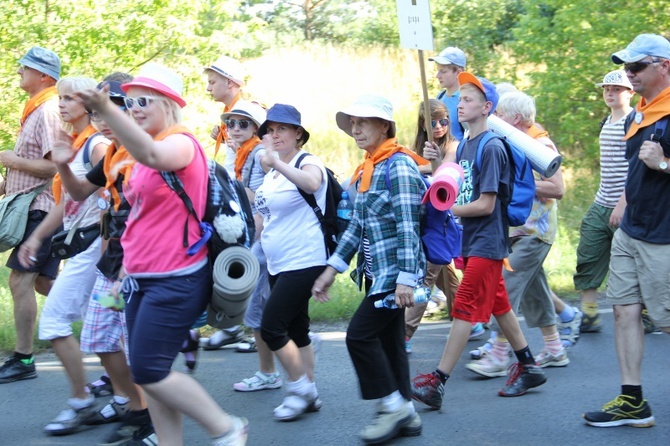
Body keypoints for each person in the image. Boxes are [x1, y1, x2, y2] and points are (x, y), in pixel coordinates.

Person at [75, 63, 248, 445]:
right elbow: (138, 216)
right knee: (146, 370)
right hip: (142, 276)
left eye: (142, 101)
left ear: (169, 103)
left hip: (177, 276)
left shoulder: (181, 142)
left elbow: (153, 154)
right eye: (129, 102)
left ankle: (226, 427)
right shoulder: (138, 153)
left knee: (151, 370)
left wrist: (105, 110)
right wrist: (124, 273)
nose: (133, 108)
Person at [410, 74, 547, 411]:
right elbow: (456, 183)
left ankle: (437, 381)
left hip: (488, 239)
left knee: (465, 308)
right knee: (499, 303)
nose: (461, 105)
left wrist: (449, 208)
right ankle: (528, 365)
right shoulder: (467, 144)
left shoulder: (493, 147)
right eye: (461, 99)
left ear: (487, 107)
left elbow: (485, 204)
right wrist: (438, 163)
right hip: (471, 239)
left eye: (469, 100)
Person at [312, 94, 428, 444]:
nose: (356, 129)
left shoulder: (400, 166)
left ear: (384, 126)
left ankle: (392, 405)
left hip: (395, 277)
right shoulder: (369, 168)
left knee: (359, 336)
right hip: (379, 275)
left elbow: (410, 225)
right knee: (389, 341)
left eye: (363, 122)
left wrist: (406, 279)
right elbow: (357, 227)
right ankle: (406, 410)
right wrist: (331, 269)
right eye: (352, 123)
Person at [51, 78, 156, 444]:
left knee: (132, 345)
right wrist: (64, 165)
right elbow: (80, 191)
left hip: (136, 263)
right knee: (100, 337)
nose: (102, 119)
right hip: (111, 263)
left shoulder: (144, 153)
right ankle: (134, 406)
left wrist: (129, 261)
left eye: (112, 108)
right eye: (96, 112)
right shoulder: (112, 152)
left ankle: (146, 416)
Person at [583, 33, 670, 428]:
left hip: (664, 235)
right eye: (627, 67)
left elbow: (655, 167)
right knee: (623, 311)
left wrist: (664, 165)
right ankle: (633, 400)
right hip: (632, 230)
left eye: (636, 67)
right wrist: (623, 203)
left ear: (663, 66)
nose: (629, 74)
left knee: (666, 319)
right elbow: (633, 171)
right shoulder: (640, 112)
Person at [16, 76, 108, 434]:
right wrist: (36, 238)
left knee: (54, 322)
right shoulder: (73, 143)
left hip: (92, 250)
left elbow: (108, 201)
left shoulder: (97, 145)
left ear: (88, 105)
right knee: (103, 332)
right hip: (78, 246)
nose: (62, 103)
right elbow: (68, 200)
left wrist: (105, 253)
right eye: (61, 97)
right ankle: (128, 398)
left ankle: (83, 401)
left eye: (71, 98)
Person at [464, 91, 570, 378]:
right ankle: (554, 347)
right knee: (535, 291)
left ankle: (499, 353)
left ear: (516, 119)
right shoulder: (513, 143)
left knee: (506, 286)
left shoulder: (540, 144)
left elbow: (558, 188)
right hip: (519, 230)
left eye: (500, 115)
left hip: (535, 231)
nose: (495, 119)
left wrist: (518, 183)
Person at [253, 103, 326, 421]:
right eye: (270, 130)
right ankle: (309, 391)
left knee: (271, 327)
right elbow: (263, 216)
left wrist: (275, 164)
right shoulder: (270, 173)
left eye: (282, 128)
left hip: (305, 259)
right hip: (277, 263)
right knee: (298, 330)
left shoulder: (306, 161)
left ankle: (300, 390)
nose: (275, 134)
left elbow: (311, 184)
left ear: (298, 133)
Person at [0, 47, 65, 384]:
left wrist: (13, 162)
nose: (18, 72)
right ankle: (114, 326)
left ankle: (23, 359)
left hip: (43, 208)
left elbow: (55, 165)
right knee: (43, 283)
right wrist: (6, 182)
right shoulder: (37, 108)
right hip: (36, 206)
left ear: (44, 76)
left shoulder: (50, 109)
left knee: (19, 280)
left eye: (25, 67)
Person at [574, 69, 634, 333]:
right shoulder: (606, 122)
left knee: (632, 261)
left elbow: (636, 169)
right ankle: (589, 313)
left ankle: (645, 311)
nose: (610, 93)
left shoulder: (634, 122)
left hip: (628, 205)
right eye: (606, 89)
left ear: (630, 92)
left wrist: (623, 204)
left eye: (616, 89)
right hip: (601, 202)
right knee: (589, 252)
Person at [404, 99, 462, 354]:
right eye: (433, 122)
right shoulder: (417, 149)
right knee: (443, 275)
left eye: (444, 121)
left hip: (444, 219)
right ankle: (466, 316)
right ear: (423, 125)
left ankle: (404, 334)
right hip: (422, 218)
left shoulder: (454, 146)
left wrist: (429, 163)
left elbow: (445, 172)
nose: (439, 127)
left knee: (425, 277)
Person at [202, 55, 248, 350]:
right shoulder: (228, 115)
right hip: (236, 193)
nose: (208, 88)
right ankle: (233, 324)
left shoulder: (246, 113)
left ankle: (257, 325)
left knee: (243, 259)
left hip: (248, 197)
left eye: (213, 82)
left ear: (230, 82)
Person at [429, 46, 467, 141]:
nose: (438, 76)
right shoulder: (440, 97)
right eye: (438, 71)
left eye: (443, 71)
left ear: (458, 72)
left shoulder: (465, 101)